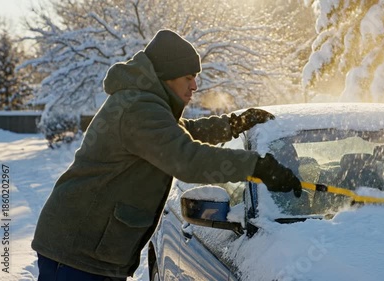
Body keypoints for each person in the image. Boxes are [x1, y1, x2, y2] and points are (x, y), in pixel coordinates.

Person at [32, 29, 302, 281]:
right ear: (167, 75)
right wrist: (257, 166)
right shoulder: (139, 108)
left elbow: (186, 132)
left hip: (87, 250)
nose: (195, 85)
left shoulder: (147, 102)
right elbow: (186, 158)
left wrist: (234, 125)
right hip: (76, 253)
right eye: (188, 77)